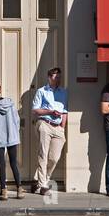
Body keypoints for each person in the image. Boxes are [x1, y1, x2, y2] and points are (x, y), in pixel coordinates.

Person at [31, 67, 68, 196]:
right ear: (49, 77)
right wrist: (50, 111)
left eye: (59, 77)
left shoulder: (63, 92)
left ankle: (38, 179)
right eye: (55, 77)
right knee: (43, 155)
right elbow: (35, 110)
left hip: (58, 127)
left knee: (54, 158)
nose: (58, 79)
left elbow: (65, 111)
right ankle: (43, 185)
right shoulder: (41, 92)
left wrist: (62, 127)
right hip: (44, 123)